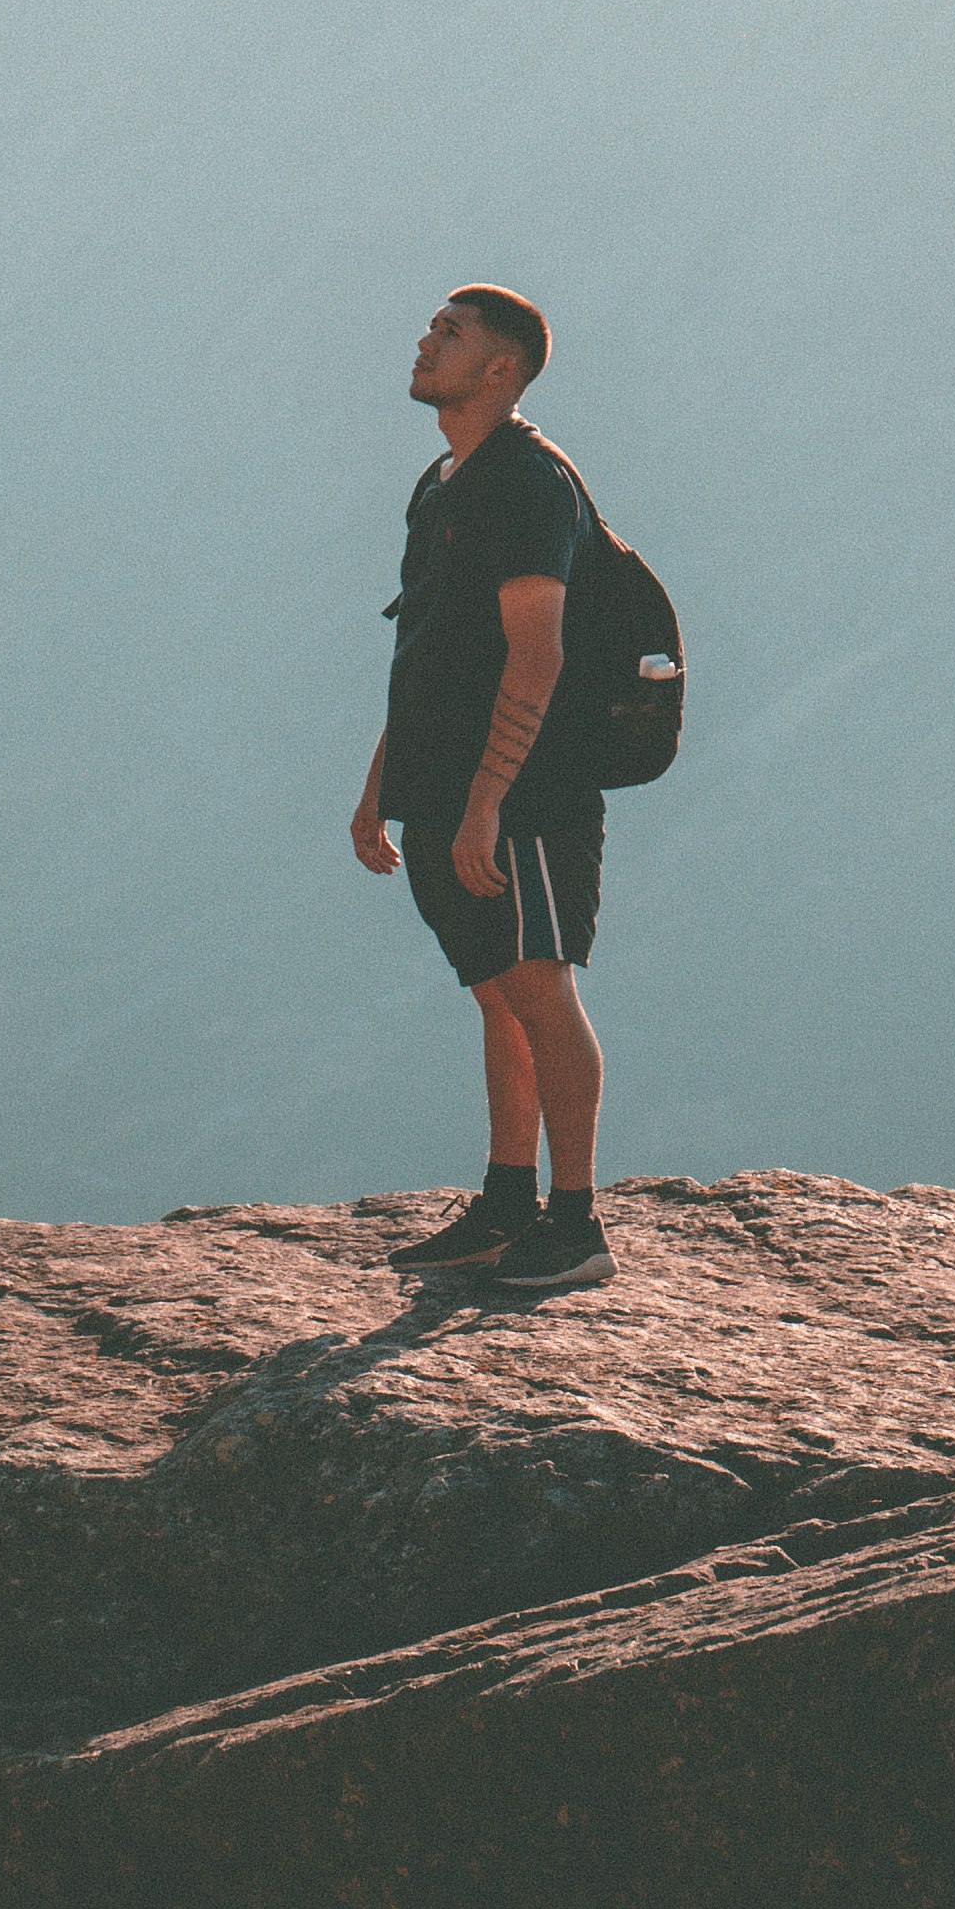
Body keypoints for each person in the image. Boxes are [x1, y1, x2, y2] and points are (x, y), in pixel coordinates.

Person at [354, 283, 616, 1290]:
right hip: (446, 788)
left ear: (498, 368)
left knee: (540, 986)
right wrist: (380, 786)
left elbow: (535, 654)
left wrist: (486, 802)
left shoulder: (528, 485)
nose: (424, 343)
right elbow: (425, 648)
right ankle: (508, 1205)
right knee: (496, 992)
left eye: (448, 335)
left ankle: (577, 1224)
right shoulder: (444, 481)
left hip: (527, 795)